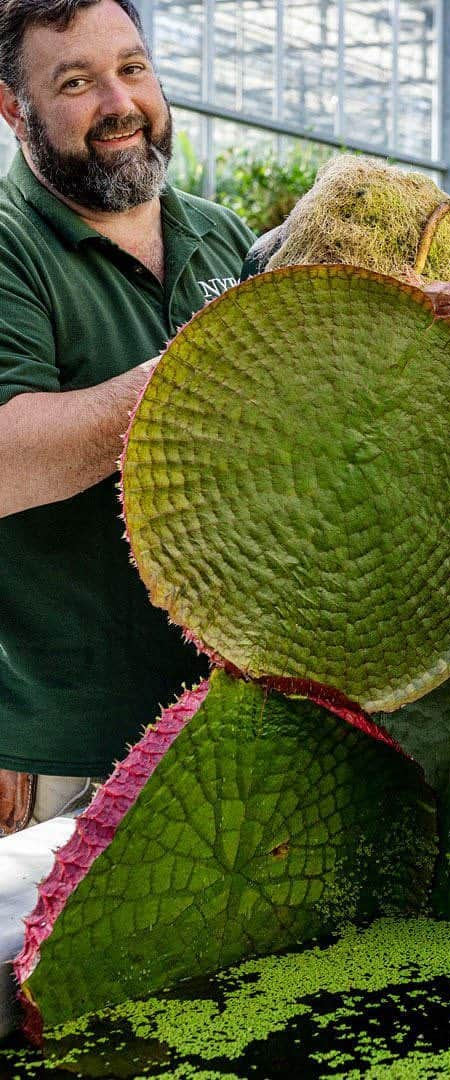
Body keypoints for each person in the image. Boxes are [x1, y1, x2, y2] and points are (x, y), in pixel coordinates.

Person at [0, 0, 255, 833]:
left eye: (133, 68)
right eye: (76, 81)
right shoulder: (10, 247)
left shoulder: (224, 238)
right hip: (73, 751)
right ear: (14, 107)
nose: (120, 103)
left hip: (242, 716)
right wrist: (201, 372)